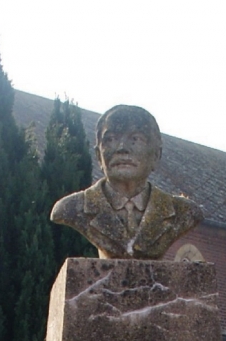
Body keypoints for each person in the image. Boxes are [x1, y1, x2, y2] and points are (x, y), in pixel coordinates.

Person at [50, 104, 203, 260]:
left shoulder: (183, 212)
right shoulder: (71, 208)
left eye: (135, 139)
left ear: (156, 155)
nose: (122, 148)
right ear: (98, 156)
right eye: (110, 139)